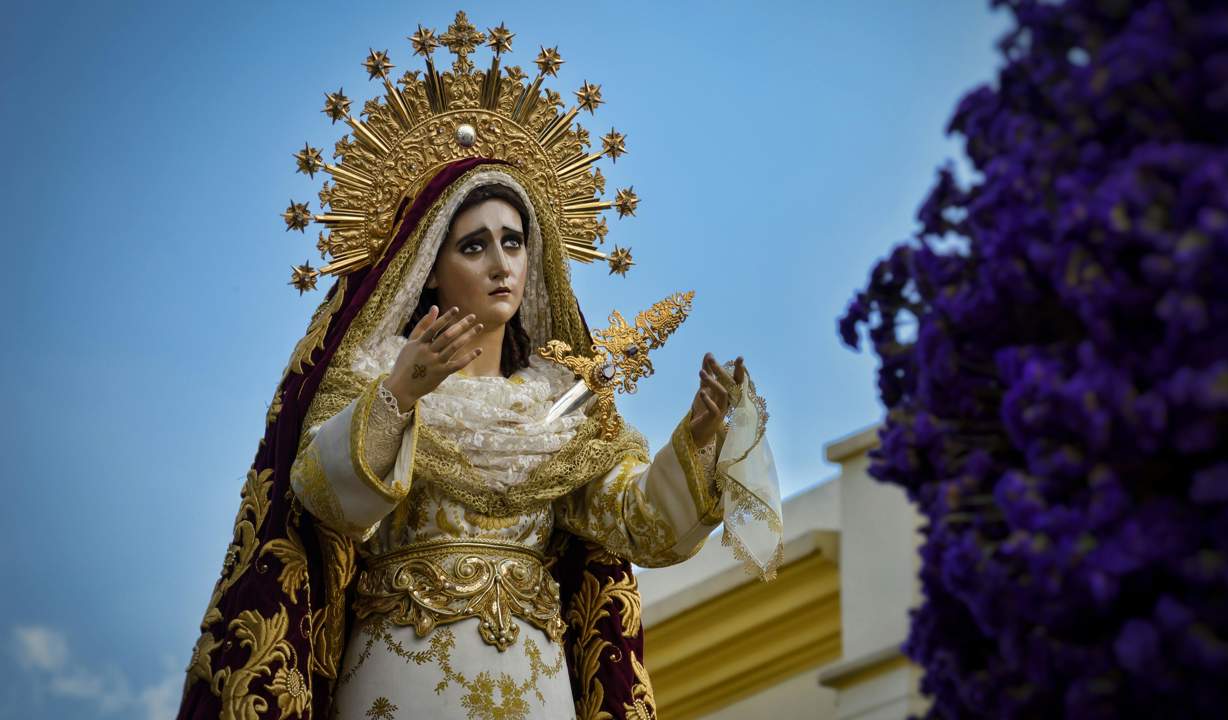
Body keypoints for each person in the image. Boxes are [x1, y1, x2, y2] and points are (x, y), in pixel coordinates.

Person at [179, 14, 779, 720]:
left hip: (535, 686)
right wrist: (401, 393)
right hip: (401, 680)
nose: (501, 264)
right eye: (474, 246)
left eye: (514, 242)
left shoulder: (564, 409)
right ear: (429, 269)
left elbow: (641, 525)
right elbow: (320, 499)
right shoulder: (373, 379)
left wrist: (700, 440)